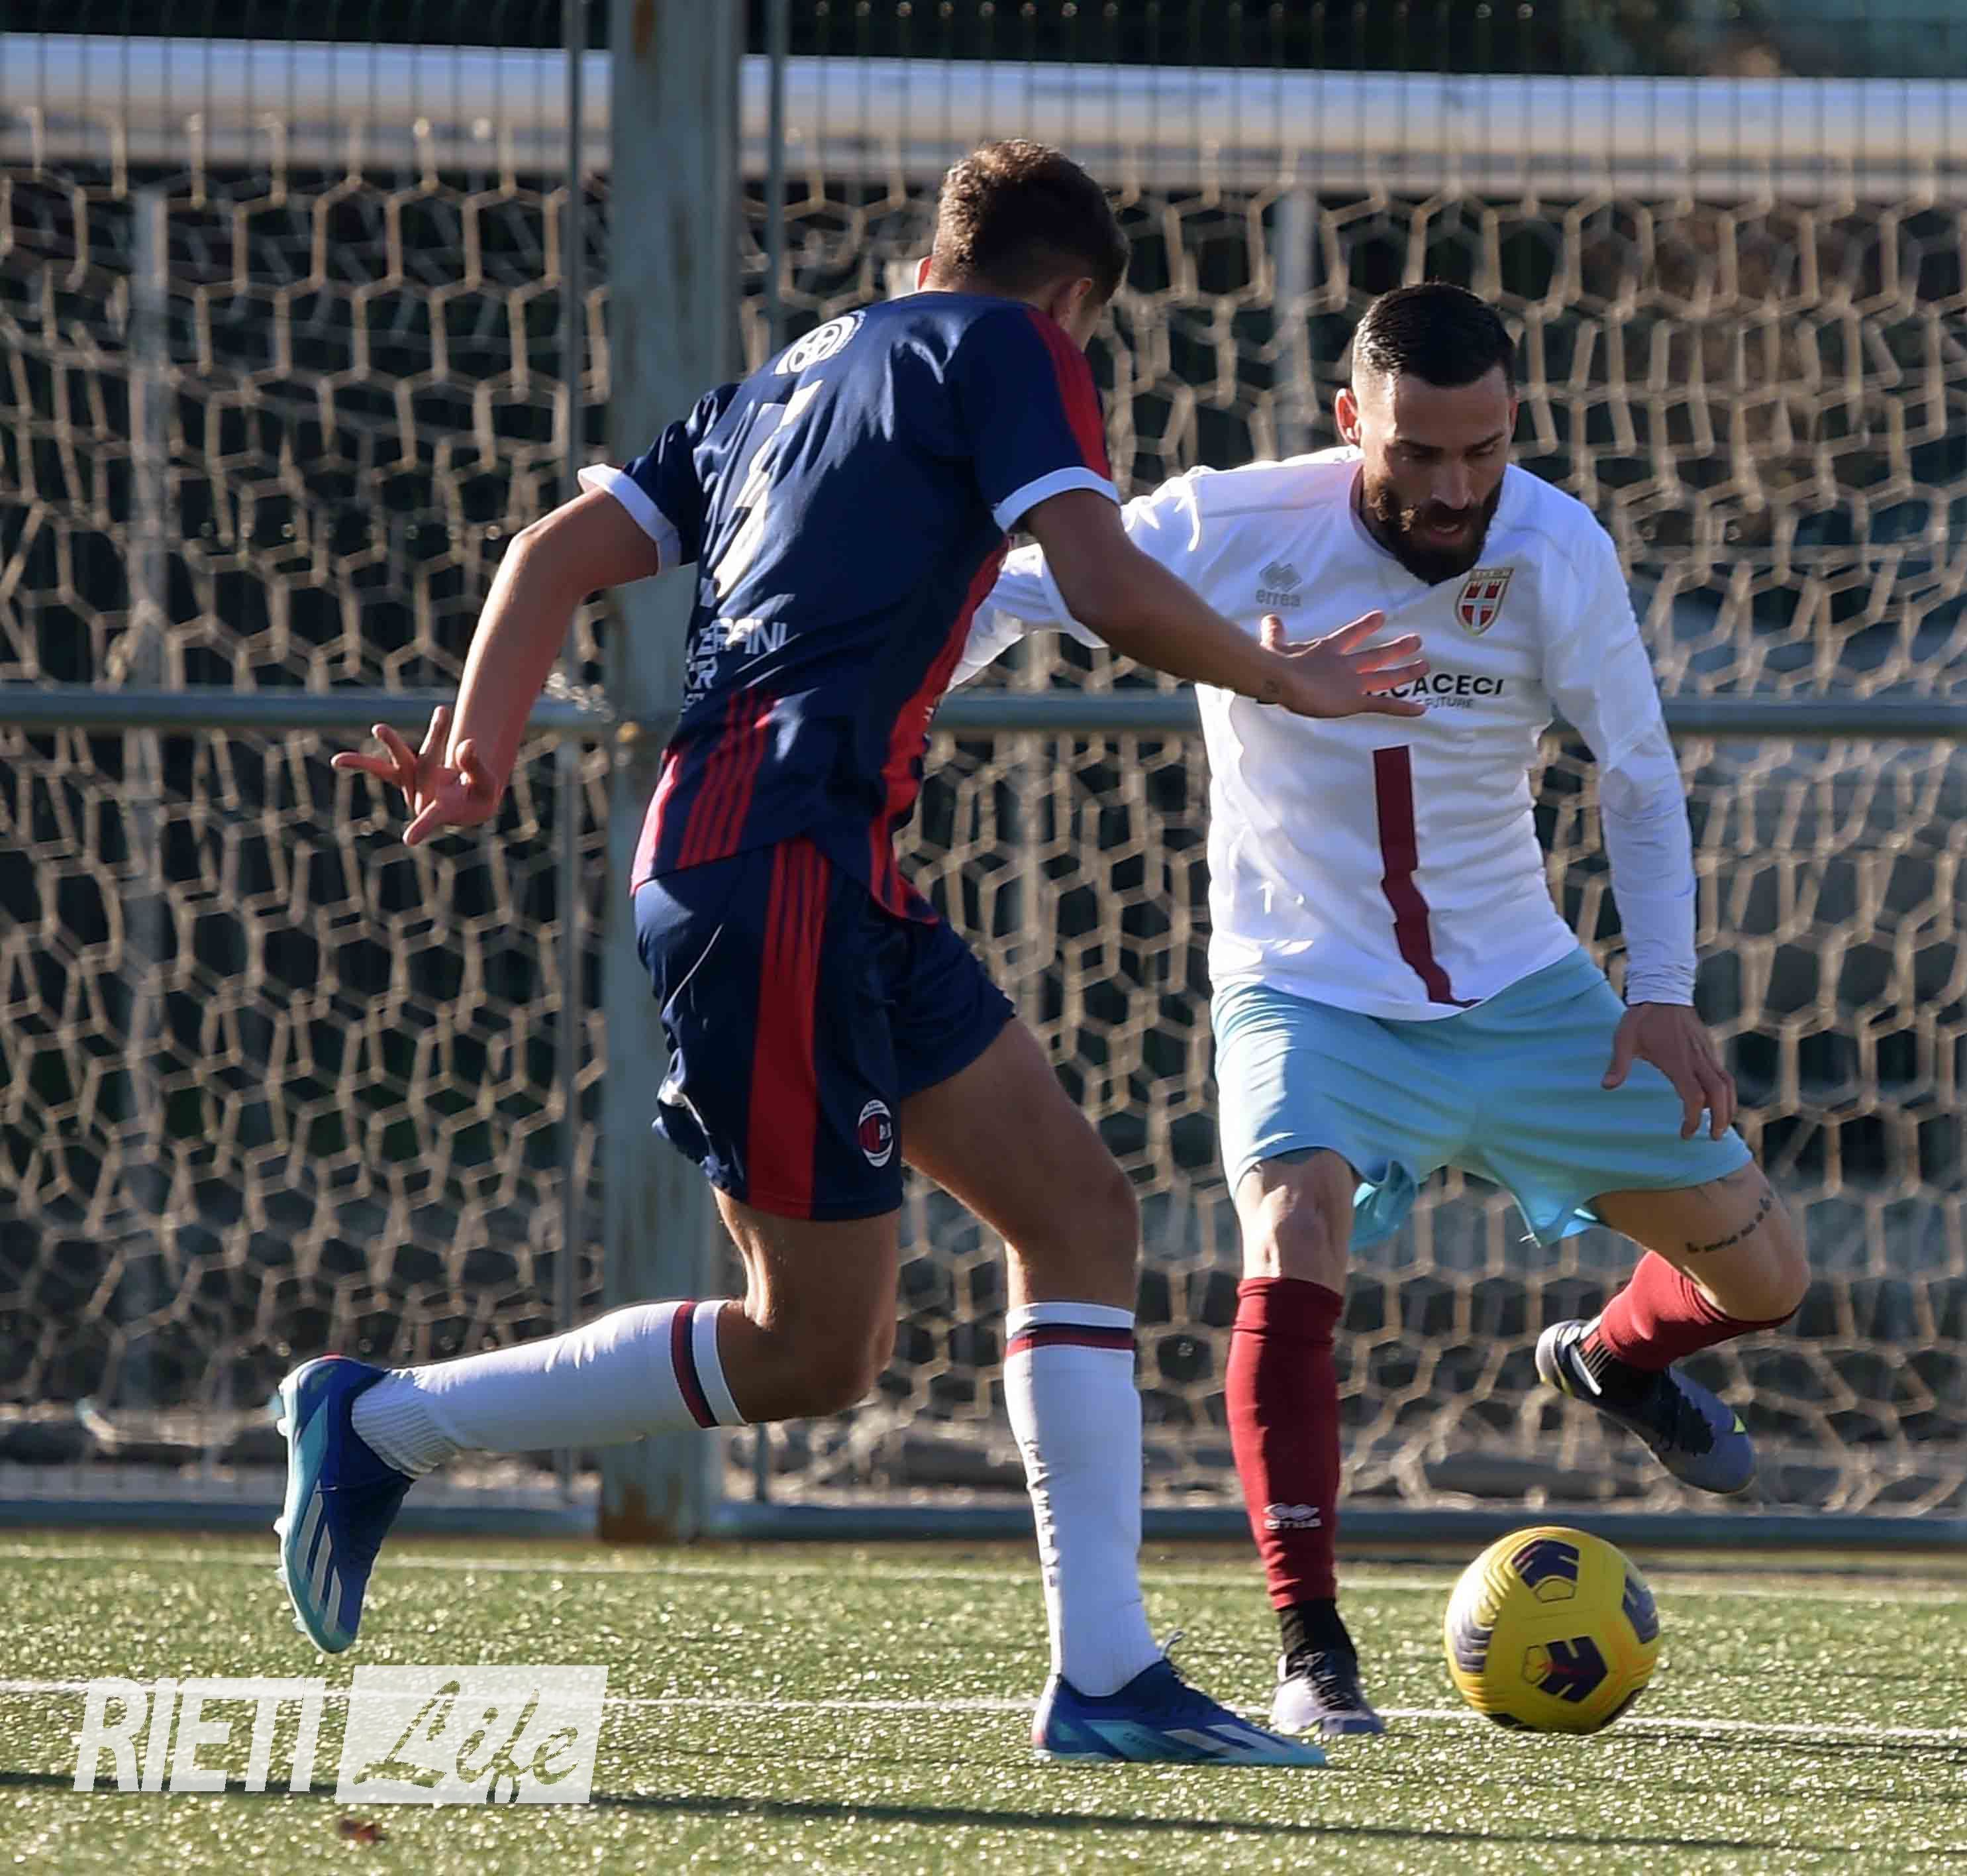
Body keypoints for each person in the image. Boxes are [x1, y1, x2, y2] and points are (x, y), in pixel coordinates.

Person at [289, 139, 1427, 1768]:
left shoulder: (777, 384)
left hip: (821, 869)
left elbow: (549, 554)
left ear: (929, 256)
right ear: (1074, 299)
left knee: (1079, 1215)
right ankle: (384, 1421)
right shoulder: (1012, 347)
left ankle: (1109, 1678)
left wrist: (478, 757)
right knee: (812, 1347)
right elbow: (1101, 583)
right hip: (777, 870)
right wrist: (1281, 675)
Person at [954, 282, 1811, 1739]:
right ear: (1352, 420)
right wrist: (893, 701)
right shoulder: (1234, 522)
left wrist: (1661, 994)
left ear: (1515, 425)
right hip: (1306, 987)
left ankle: (1610, 1359)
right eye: (1419, 453)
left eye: (1484, 450)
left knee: (1768, 1281)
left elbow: (1636, 774)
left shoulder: (1556, 547)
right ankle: (1313, 1649)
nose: (1456, 488)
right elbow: (1019, 588)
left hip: (1526, 989)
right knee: (1293, 1226)